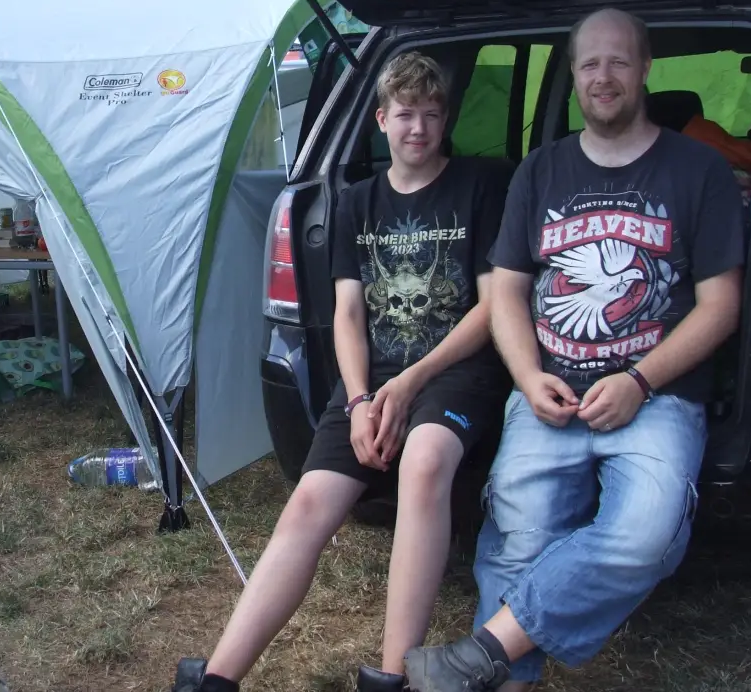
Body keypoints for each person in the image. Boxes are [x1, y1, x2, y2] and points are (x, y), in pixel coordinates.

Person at [403, 9, 745, 691]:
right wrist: (528, 378)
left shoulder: (699, 171)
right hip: (549, 395)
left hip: (658, 398)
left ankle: (485, 652)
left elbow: (721, 306)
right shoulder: (540, 170)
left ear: (646, 69)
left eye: (619, 61)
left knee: (648, 533)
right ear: (573, 75)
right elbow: (506, 291)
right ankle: (503, 678)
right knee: (519, 538)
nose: (603, 76)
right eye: (589, 64)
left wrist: (640, 383)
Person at [171, 52, 510, 692]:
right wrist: (358, 402)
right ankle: (216, 679)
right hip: (370, 381)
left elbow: (493, 308)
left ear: (445, 121)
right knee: (307, 503)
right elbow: (348, 315)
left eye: (432, 115)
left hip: (459, 370)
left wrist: (409, 385)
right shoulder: (356, 202)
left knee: (425, 461)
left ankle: (391, 675)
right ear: (381, 119)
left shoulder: (480, 187)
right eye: (405, 114)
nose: (419, 128)